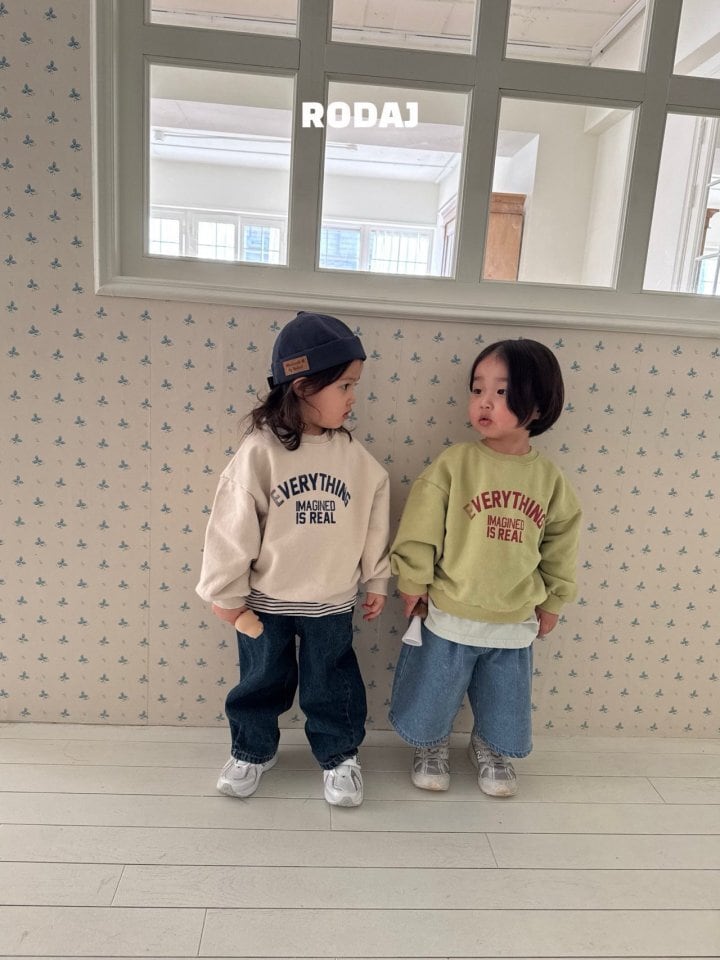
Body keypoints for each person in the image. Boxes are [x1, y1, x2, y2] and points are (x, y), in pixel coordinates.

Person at [197, 311, 390, 807]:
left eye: (354, 386)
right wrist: (225, 594)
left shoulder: (354, 457)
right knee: (261, 682)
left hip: (331, 600)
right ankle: (251, 750)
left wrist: (376, 580)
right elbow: (232, 528)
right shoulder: (260, 453)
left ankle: (339, 755)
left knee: (333, 684)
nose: (353, 398)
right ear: (303, 386)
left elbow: (373, 516)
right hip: (266, 602)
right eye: (345, 386)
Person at [389, 338, 581, 797]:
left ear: (538, 404)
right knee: (434, 688)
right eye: (478, 390)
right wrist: (412, 578)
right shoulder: (456, 463)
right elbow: (421, 525)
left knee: (505, 696)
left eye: (502, 391)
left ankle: (492, 747)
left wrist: (555, 600)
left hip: (513, 616)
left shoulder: (549, 480)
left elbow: (561, 546)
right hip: (450, 608)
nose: (485, 402)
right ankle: (431, 743)